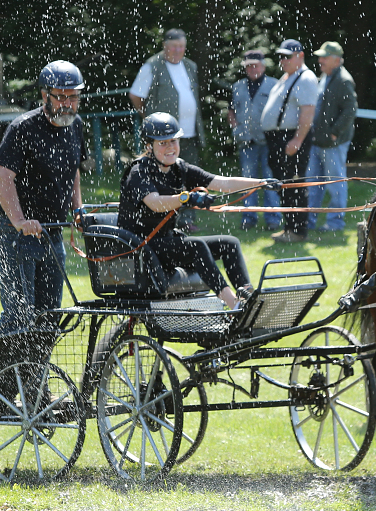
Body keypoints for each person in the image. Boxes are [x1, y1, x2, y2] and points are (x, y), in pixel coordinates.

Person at [118, 113, 280, 309]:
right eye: (162, 143)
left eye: (173, 141)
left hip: (166, 242)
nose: (170, 147)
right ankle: (234, 305)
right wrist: (186, 197)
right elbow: (155, 203)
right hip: (141, 247)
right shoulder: (139, 172)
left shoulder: (179, 168)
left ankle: (248, 299)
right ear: (148, 146)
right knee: (196, 247)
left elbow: (222, 182)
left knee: (229, 243)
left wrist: (260, 183)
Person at [0, 60, 88, 339]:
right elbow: (3, 177)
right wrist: (20, 220)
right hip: (15, 235)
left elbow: (74, 172)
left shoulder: (75, 125)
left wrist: (78, 209)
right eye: (61, 97)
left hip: (53, 235)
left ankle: (36, 382)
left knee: (49, 318)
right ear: (45, 95)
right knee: (18, 316)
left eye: (74, 97)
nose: (68, 104)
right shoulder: (22, 128)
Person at [128, 29, 204, 231]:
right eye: (174, 46)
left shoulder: (190, 66)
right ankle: (169, 219)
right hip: (164, 137)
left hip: (188, 133)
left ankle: (188, 220)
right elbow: (136, 95)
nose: (178, 50)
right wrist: (150, 120)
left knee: (190, 177)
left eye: (182, 46)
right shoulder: (152, 66)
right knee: (167, 177)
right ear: (165, 46)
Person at [260, 39, 318, 243]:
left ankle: (298, 231)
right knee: (284, 184)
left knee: (294, 184)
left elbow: (307, 111)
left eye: (288, 56)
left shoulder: (306, 78)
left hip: (291, 137)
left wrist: (297, 140)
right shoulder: (288, 76)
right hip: (280, 138)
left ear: (300, 56)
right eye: (281, 56)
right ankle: (289, 227)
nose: (283, 60)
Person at [304, 41, 358, 232]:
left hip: (332, 143)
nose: (320, 60)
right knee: (313, 183)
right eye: (320, 57)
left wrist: (334, 132)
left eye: (324, 57)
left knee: (335, 183)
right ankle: (309, 221)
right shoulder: (326, 76)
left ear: (336, 60)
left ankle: (335, 223)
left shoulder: (343, 80)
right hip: (318, 141)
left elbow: (350, 110)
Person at [228, 49, 281, 232]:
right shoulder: (238, 86)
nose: (252, 69)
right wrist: (236, 129)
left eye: (255, 65)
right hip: (246, 142)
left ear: (263, 66)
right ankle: (248, 217)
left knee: (270, 180)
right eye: (248, 66)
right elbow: (231, 111)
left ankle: (273, 218)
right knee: (246, 181)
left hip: (268, 142)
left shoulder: (275, 85)